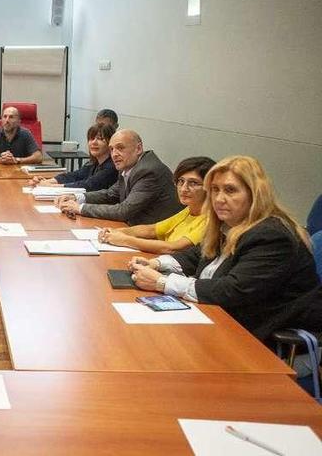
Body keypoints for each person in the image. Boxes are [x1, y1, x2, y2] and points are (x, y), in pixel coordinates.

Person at [128, 156, 320, 339]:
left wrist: (162, 282)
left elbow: (232, 291)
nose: (219, 198)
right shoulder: (228, 225)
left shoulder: (272, 236)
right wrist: (156, 263)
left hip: (269, 342)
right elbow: (196, 255)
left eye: (230, 190)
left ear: (255, 194)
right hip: (222, 322)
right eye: (215, 190)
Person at [55, 129, 182, 225]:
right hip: (137, 230)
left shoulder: (148, 171)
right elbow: (110, 194)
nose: (114, 154)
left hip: (159, 238)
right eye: (111, 149)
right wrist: (76, 197)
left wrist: (80, 208)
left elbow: (124, 211)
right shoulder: (129, 166)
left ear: (138, 148)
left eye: (120, 148)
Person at [99, 156, 215, 254]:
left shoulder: (210, 220)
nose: (184, 189)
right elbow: (152, 230)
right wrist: (117, 231)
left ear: (209, 187)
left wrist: (124, 240)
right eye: (181, 181)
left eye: (193, 183)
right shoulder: (189, 210)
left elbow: (172, 248)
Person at [28, 122, 118, 191]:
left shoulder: (111, 167)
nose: (94, 142)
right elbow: (75, 176)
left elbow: (88, 185)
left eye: (100, 139)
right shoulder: (94, 163)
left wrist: (51, 186)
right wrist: (48, 181)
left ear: (110, 143)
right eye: (91, 138)